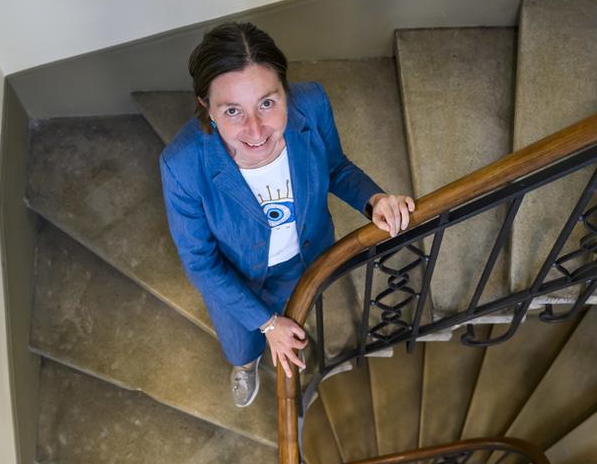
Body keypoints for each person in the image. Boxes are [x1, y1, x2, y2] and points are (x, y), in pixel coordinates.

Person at [159, 22, 416, 407]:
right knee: (241, 341)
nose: (256, 130)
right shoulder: (182, 165)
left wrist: (374, 199)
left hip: (309, 255)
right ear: (206, 107)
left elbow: (336, 167)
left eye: (267, 102)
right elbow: (199, 262)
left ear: (285, 90)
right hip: (239, 279)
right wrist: (267, 323)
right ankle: (244, 366)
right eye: (232, 111)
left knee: (307, 307)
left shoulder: (310, 105)